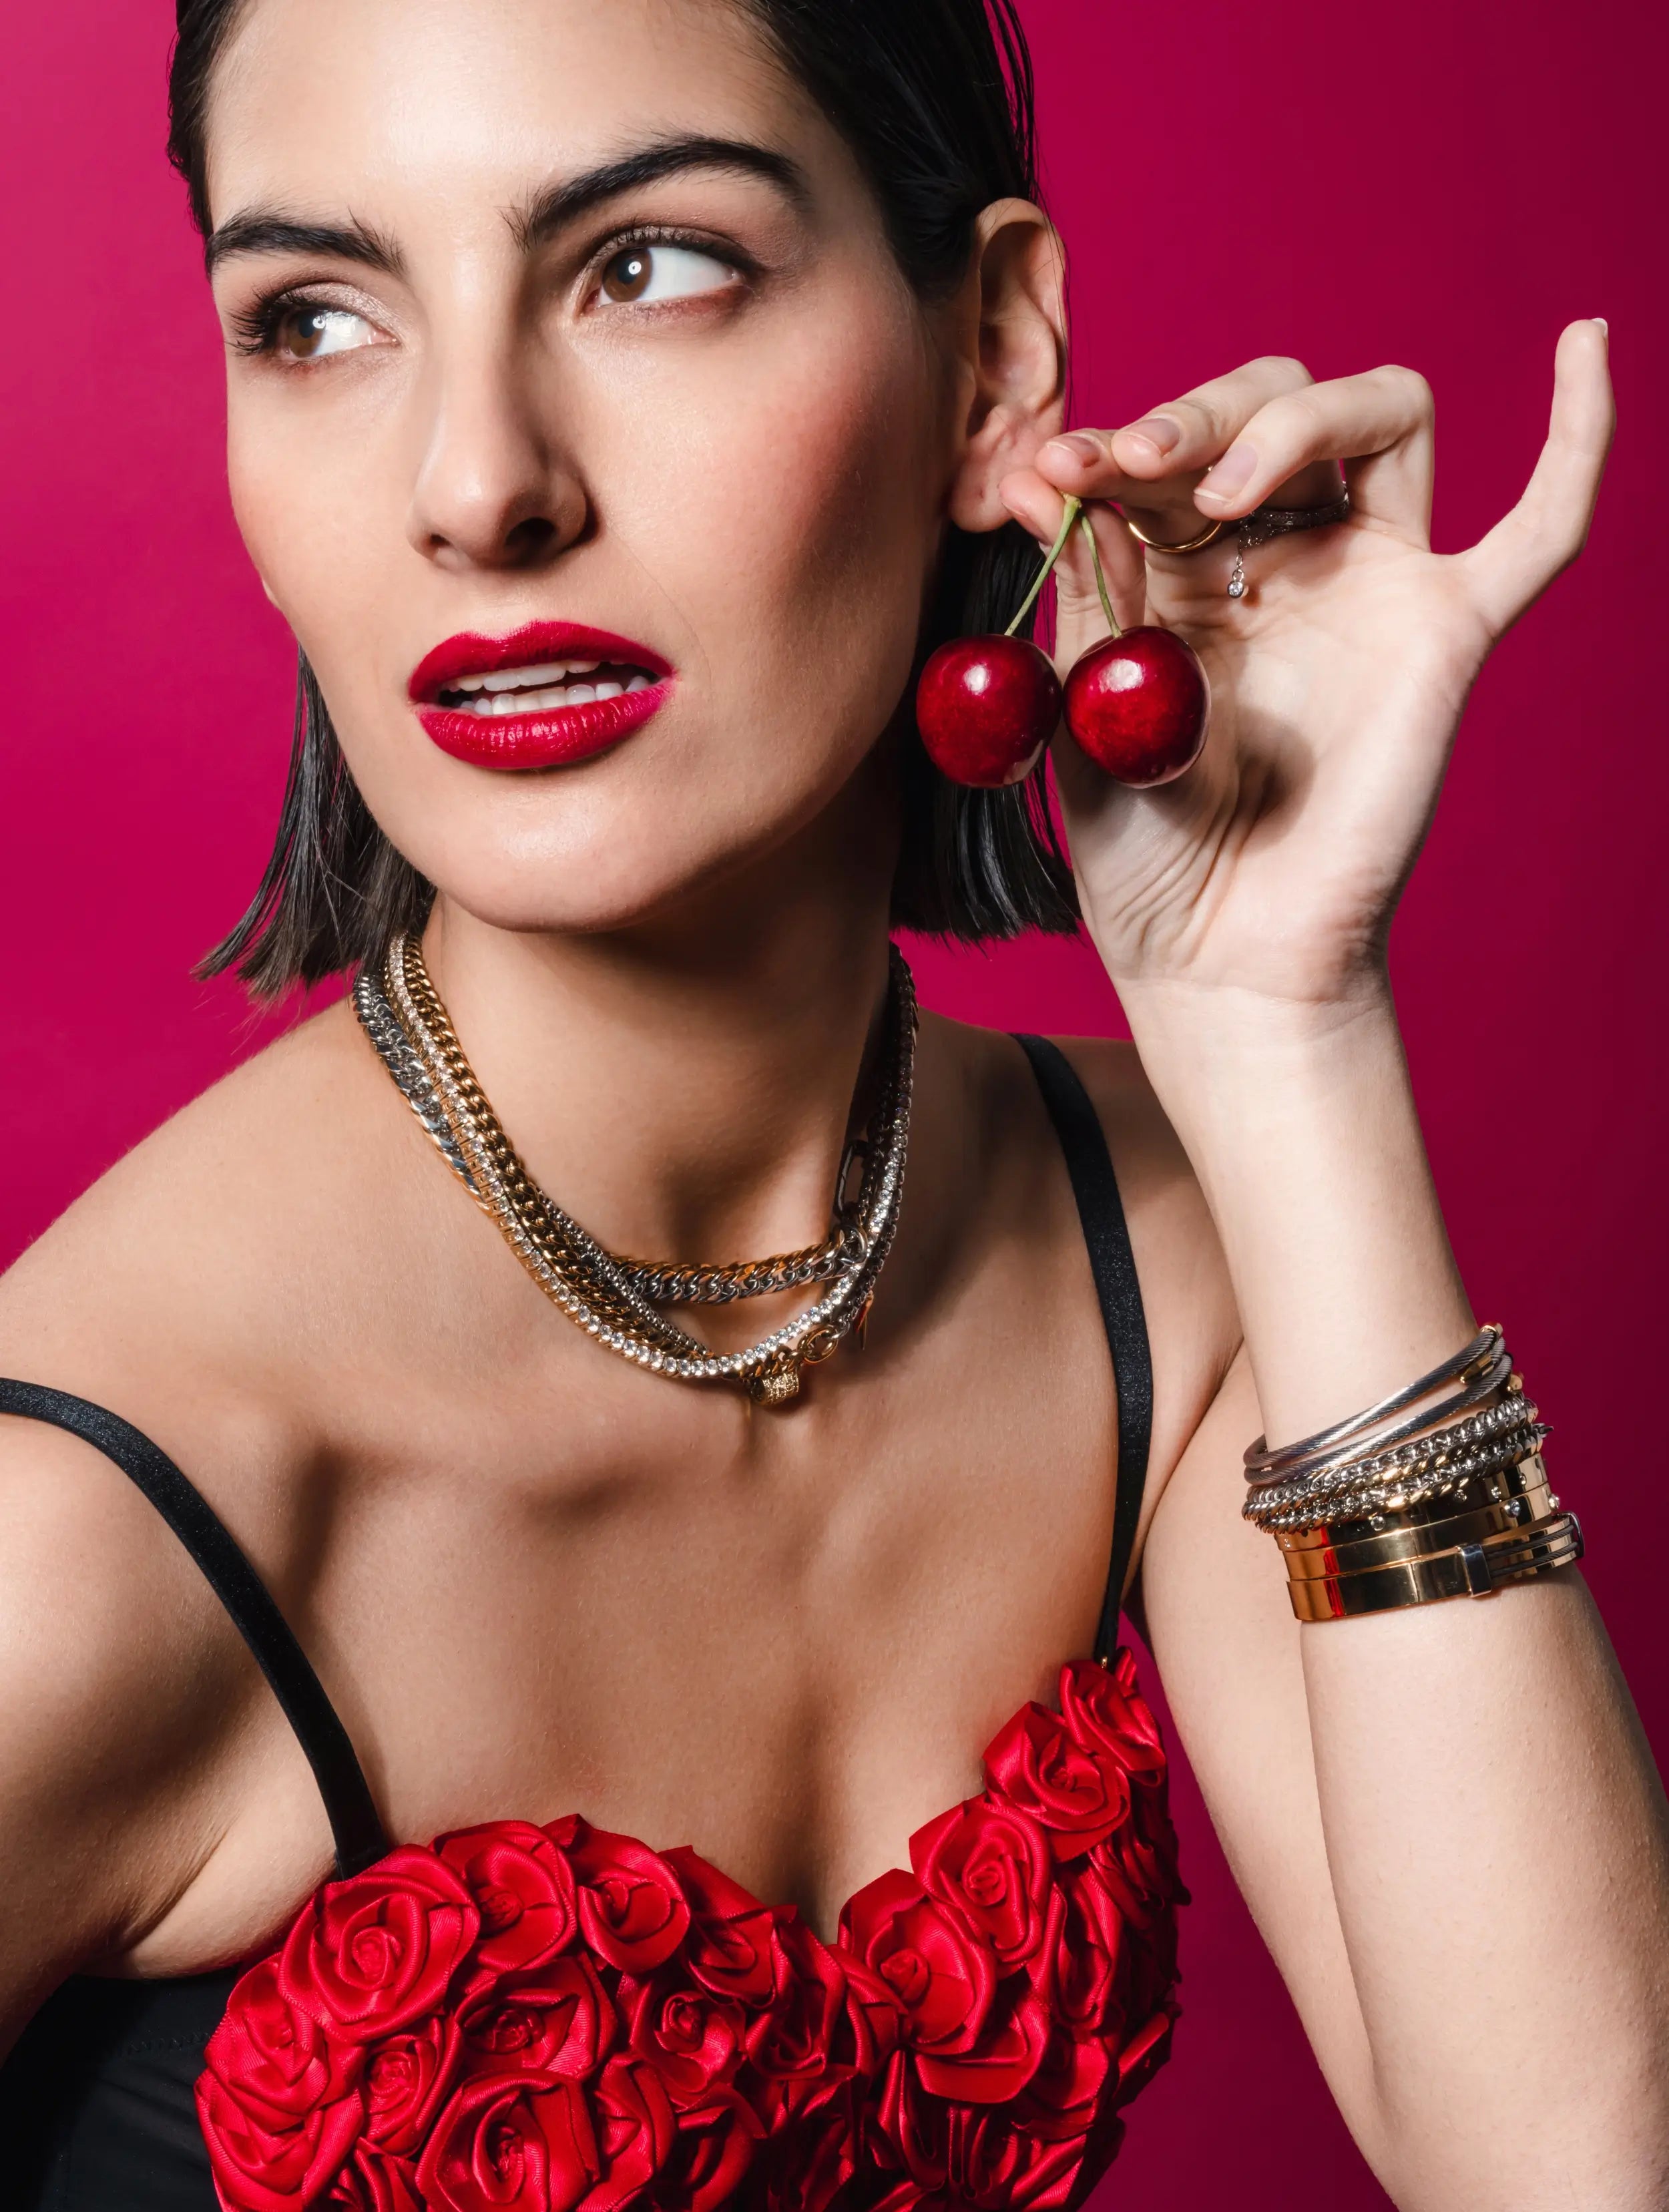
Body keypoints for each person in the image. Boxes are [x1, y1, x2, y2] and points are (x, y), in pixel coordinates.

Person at [1, 0, 1664, 2204]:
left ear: (990, 360)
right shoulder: (84, 1533)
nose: (474, 483)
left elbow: (1572, 2170)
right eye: (315, 315)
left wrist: (1288, 1026)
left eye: (646, 264)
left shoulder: (1150, 1250)